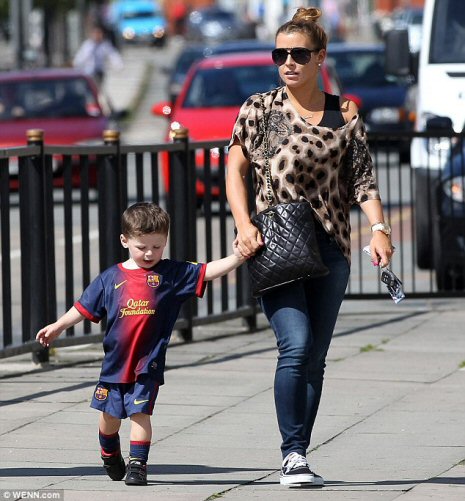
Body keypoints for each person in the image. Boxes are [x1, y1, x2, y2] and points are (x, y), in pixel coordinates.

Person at [226, 7, 393, 488]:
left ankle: (299, 450)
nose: (288, 62)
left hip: (331, 247)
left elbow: (362, 180)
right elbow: (235, 168)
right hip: (275, 241)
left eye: (299, 54)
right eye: (280, 54)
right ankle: (292, 454)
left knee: (315, 358)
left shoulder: (345, 113)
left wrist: (379, 229)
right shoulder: (259, 109)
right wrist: (243, 224)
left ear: (320, 57)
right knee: (295, 346)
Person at [36, 202, 245, 486]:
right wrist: (58, 326)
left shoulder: (171, 274)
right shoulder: (111, 278)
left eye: (157, 247)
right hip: (115, 365)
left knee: (140, 413)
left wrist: (238, 256)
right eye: (141, 247)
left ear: (165, 241)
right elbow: (84, 307)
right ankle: (109, 451)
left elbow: (207, 271)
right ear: (125, 240)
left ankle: (138, 465)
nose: (149, 253)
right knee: (109, 417)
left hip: (147, 364)